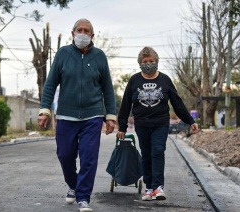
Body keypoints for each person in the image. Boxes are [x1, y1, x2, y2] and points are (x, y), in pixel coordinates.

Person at [37, 18, 116, 212]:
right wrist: (44, 110)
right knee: (65, 155)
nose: (83, 33)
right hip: (66, 116)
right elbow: (50, 84)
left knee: (89, 157)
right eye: (79, 30)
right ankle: (73, 184)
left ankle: (83, 198)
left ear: (92, 35)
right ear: (73, 34)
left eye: (86, 31)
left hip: (93, 115)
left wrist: (110, 115)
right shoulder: (63, 54)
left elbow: (108, 88)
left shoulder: (99, 56)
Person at [116, 46, 199, 201]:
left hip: (160, 123)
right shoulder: (134, 80)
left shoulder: (165, 80)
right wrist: (122, 127)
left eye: (151, 61)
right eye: (145, 61)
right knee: (146, 155)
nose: (148, 63)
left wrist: (190, 121)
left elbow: (177, 103)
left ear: (157, 61)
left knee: (158, 151)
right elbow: (126, 104)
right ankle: (148, 188)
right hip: (141, 124)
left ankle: (158, 187)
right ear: (140, 63)